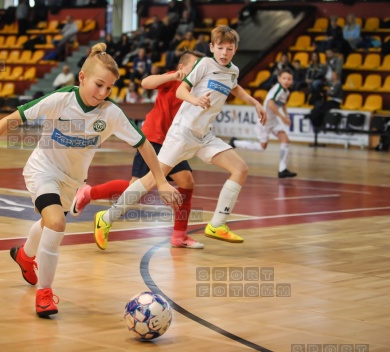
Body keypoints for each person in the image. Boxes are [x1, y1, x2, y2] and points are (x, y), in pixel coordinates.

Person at [0, 43, 181, 317]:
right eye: (99, 85)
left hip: (72, 181)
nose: (103, 93)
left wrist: (161, 181)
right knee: (57, 223)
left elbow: (143, 145)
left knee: (50, 223)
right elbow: (11, 119)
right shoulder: (60, 99)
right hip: (42, 169)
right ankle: (45, 293)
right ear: (81, 77)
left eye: (109, 88)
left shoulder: (111, 114)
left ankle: (25, 255)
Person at [92, 25, 267, 250]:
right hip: (182, 133)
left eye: (229, 48)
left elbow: (235, 88)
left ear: (235, 50)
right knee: (151, 181)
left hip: (204, 136)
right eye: (220, 47)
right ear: (212, 47)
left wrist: (254, 102)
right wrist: (196, 101)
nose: (224, 52)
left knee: (240, 169)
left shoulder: (232, 71)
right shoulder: (203, 64)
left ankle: (217, 224)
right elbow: (180, 91)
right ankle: (106, 219)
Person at [70, 50, 205, 249]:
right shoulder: (173, 79)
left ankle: (179, 235)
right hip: (154, 138)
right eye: (194, 66)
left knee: (186, 181)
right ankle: (89, 194)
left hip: (174, 141)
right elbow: (146, 83)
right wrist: (173, 76)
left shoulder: (197, 88)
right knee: (135, 188)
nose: (197, 71)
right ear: (181, 68)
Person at [229, 69, 297, 178]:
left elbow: (283, 104)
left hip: (273, 121)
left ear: (292, 81)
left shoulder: (286, 92)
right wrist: (283, 118)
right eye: (284, 78)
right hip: (264, 120)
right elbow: (270, 105)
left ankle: (282, 169)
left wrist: (286, 116)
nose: (286, 81)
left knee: (286, 140)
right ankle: (235, 142)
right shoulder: (277, 89)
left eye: (289, 79)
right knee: (262, 147)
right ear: (279, 79)